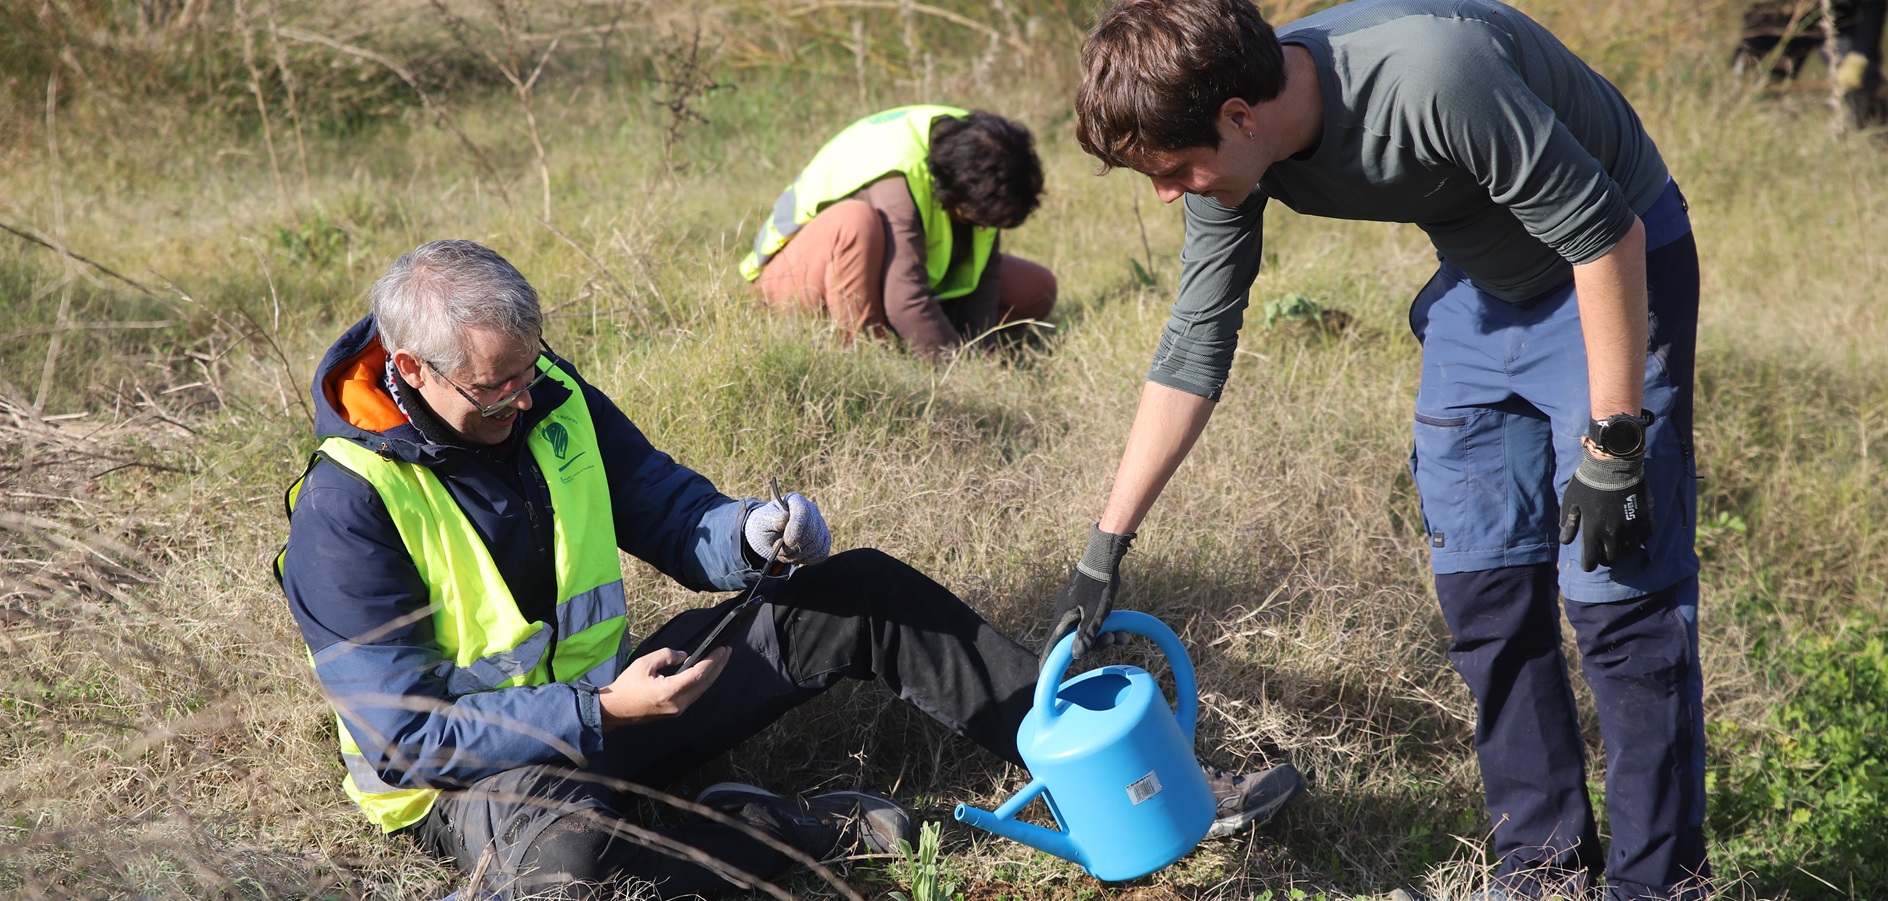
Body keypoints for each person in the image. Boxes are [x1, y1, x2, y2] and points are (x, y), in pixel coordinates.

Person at [276, 239, 1303, 900]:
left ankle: (1148, 784)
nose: (518, 400)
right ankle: (800, 830)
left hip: (625, 705)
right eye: (491, 389)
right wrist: (601, 713)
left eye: (528, 371)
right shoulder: (346, 505)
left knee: (859, 588)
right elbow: (405, 740)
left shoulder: (547, 392)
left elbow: (669, 511)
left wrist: (749, 534)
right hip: (484, 783)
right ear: (409, 370)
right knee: (569, 874)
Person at [1058, 1, 1708, 899]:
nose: (1169, 193)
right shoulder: (1233, 156)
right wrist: (1105, 548)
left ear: (1241, 119)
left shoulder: (1433, 73)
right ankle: (1541, 870)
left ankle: (1660, 883)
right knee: (1484, 592)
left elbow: (1608, 234)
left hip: (1614, 272)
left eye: (1173, 171)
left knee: (1618, 598)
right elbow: (1195, 343)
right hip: (1483, 291)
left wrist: (1614, 442)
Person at [739, 105, 1058, 359]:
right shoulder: (897, 173)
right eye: (977, 219)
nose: (984, 229)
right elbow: (904, 298)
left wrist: (982, 353)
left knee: (1036, 288)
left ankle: (915, 336)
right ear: (949, 180)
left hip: (884, 281)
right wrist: (957, 370)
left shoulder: (982, 156)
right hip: (791, 283)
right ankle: (870, 355)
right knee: (854, 222)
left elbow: (984, 276)